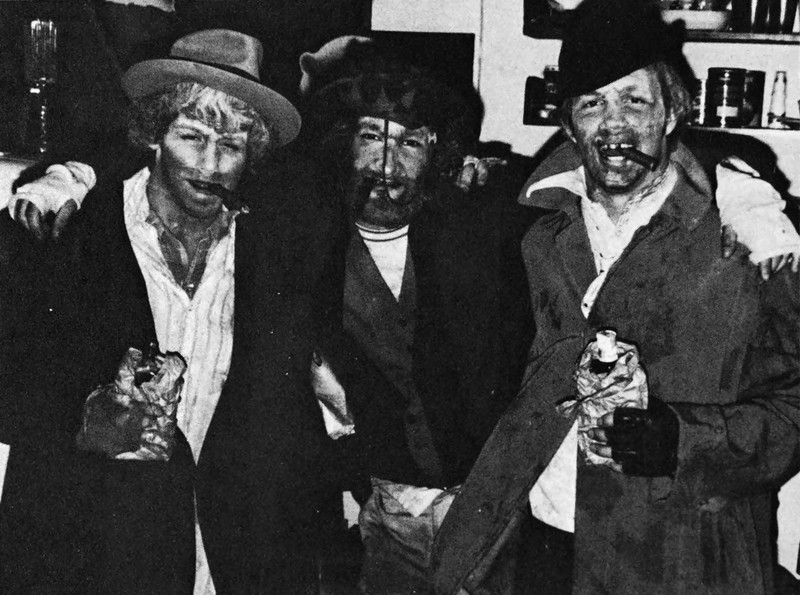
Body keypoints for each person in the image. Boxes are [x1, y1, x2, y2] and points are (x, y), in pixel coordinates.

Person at [431, 1, 800, 594]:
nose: (613, 125)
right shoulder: (538, 230)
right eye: (591, 104)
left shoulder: (747, 240)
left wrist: (682, 440)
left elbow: (793, 409)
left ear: (673, 111)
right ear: (569, 124)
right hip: (547, 540)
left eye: (634, 101)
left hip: (682, 557)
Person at [0, 29, 337, 594]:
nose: (211, 164)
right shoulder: (67, 231)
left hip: (223, 561)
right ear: (155, 135)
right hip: (91, 556)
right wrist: (82, 422)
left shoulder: (274, 250)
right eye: (192, 136)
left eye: (232, 145)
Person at [300, 38, 534, 593]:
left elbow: (589, 177)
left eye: (409, 142)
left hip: (495, 513)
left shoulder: (481, 223)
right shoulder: (308, 241)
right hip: (388, 514)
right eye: (371, 137)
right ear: (344, 144)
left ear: (438, 154)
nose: (387, 164)